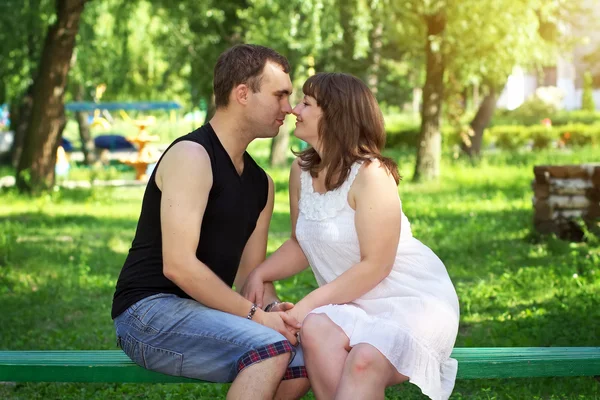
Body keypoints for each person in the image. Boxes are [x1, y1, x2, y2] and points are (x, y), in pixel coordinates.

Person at [242, 72, 460, 400]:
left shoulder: (372, 175)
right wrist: (261, 272)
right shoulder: (301, 171)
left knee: (363, 359)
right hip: (354, 305)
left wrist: (305, 306)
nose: (294, 110)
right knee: (316, 329)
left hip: (411, 301)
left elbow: (376, 266)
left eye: (306, 103)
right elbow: (303, 242)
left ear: (336, 115)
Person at [111, 44, 310, 400]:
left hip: (201, 312)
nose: (289, 108)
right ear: (243, 94)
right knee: (272, 349)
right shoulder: (192, 156)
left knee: (302, 359)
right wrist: (256, 317)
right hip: (147, 313)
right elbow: (179, 267)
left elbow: (251, 278)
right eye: (280, 95)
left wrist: (270, 310)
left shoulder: (261, 184)